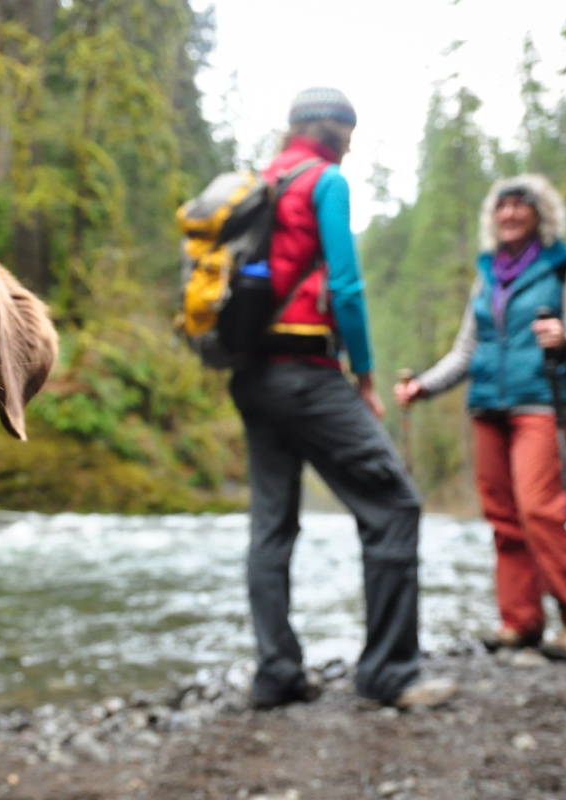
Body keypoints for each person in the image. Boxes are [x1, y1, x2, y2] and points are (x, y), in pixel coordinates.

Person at [231, 87, 456, 710]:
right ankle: (389, 673)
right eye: (349, 131)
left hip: (251, 376)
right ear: (334, 132)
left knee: (271, 526)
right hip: (307, 370)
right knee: (394, 506)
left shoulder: (257, 182)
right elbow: (349, 287)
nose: (353, 142)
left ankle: (276, 674)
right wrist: (364, 375)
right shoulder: (324, 181)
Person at [394, 174, 566, 661]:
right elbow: (467, 348)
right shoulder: (488, 272)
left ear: (541, 214)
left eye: (521, 205)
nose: (510, 214)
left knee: (540, 510)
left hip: (544, 401)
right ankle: (521, 621)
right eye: (502, 206)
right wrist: (424, 386)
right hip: (487, 405)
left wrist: (563, 335)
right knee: (503, 518)